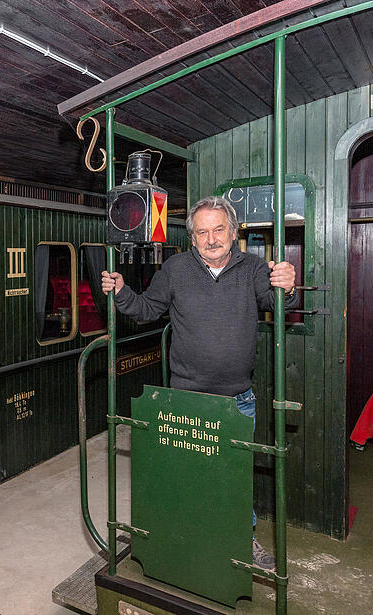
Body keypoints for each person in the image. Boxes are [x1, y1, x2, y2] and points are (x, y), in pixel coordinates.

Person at [101, 196, 299, 571]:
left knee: (234, 479)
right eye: (202, 232)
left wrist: (286, 286)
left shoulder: (254, 268)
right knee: (186, 476)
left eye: (219, 229)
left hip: (236, 400)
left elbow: (280, 303)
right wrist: (122, 290)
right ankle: (185, 540)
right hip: (185, 401)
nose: (211, 239)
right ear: (192, 238)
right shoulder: (175, 269)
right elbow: (146, 309)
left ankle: (244, 539)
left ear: (234, 232)